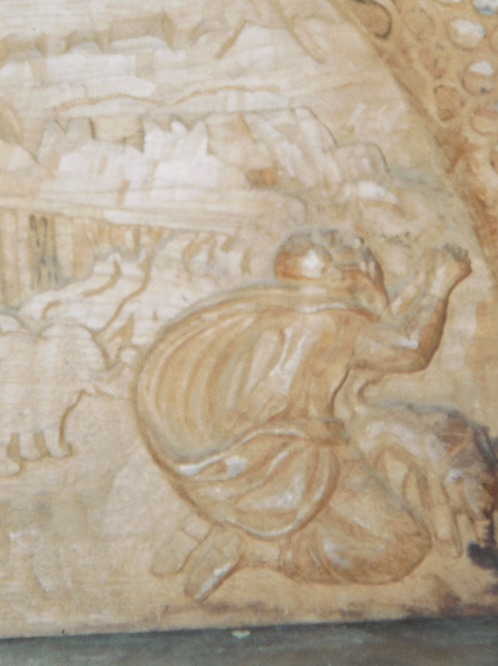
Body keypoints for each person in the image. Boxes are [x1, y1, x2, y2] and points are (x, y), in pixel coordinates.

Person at [131, 231, 472, 602]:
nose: (366, 256)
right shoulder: (332, 323)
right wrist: (440, 286)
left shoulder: (284, 311)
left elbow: (380, 326)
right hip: (302, 457)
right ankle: (258, 551)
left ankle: (221, 515)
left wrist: (419, 282)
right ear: (337, 274)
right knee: (402, 544)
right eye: (353, 251)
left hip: (246, 454)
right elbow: (408, 349)